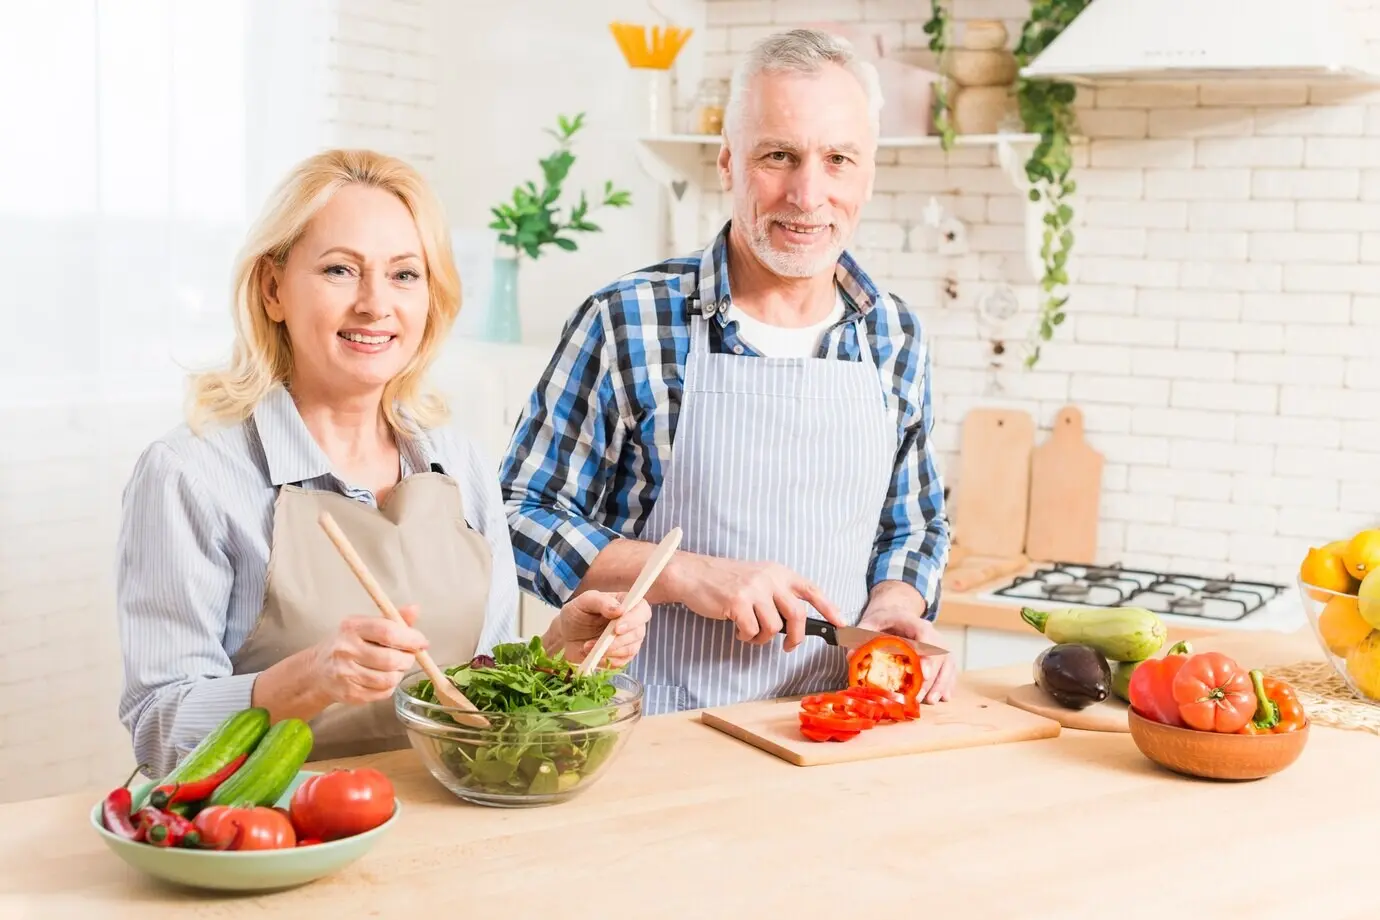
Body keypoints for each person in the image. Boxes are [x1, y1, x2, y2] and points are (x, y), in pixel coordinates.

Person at [116, 149, 651, 777]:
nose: (375, 304)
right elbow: (159, 729)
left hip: (452, 820)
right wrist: (309, 678)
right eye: (340, 270)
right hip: (275, 839)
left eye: (404, 275)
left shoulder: (460, 464)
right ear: (272, 289)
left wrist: (559, 652)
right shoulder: (190, 475)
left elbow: (480, 690)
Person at [499, 28, 953, 717]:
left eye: (838, 159)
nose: (808, 193)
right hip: (654, 726)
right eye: (780, 156)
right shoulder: (628, 321)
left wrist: (892, 609)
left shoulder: (893, 335)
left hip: (837, 727)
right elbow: (518, 518)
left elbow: (912, 528)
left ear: (868, 173)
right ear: (728, 163)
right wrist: (682, 575)